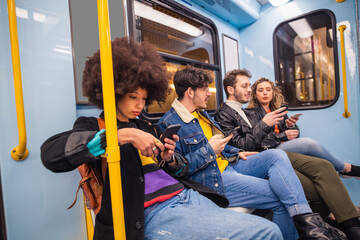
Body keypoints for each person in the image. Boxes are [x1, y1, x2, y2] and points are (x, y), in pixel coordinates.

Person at [40, 38, 283, 240]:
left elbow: (178, 167)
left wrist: (169, 159)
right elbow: (51, 154)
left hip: (186, 195)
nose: (140, 104)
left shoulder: (147, 125)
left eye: (144, 98)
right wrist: (123, 135)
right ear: (114, 92)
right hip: (152, 211)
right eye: (133, 96)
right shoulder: (94, 126)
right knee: (268, 232)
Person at [157, 67, 341, 240]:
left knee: (276, 156)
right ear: (190, 92)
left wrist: (238, 152)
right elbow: (178, 171)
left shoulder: (202, 115)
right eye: (205, 89)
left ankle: (307, 222)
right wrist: (209, 151)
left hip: (230, 163)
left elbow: (223, 142)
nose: (209, 94)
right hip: (214, 178)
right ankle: (310, 227)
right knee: (281, 198)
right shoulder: (170, 123)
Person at [214, 69, 360, 240]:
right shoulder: (225, 114)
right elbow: (243, 145)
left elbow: (259, 137)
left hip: (271, 153)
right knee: (316, 187)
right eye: (245, 86)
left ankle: (352, 227)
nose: (249, 90)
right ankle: (313, 228)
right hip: (261, 159)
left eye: (249, 86)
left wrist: (286, 127)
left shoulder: (245, 112)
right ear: (230, 90)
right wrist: (266, 125)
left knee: (325, 166)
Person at [247, 77, 360, 179]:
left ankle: (342, 169)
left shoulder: (278, 110)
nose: (265, 93)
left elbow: (296, 134)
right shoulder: (251, 114)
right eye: (260, 90)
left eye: (268, 89)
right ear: (255, 95)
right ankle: (346, 168)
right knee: (308, 144)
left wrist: (290, 125)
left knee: (314, 158)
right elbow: (259, 142)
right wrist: (283, 135)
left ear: (273, 92)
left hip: (282, 145)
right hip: (269, 151)